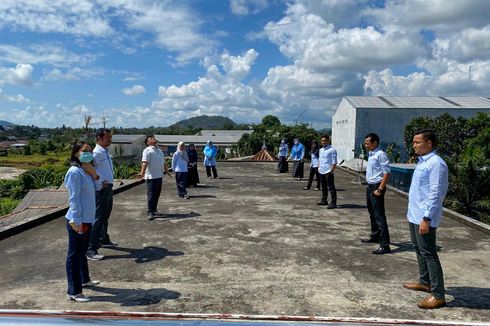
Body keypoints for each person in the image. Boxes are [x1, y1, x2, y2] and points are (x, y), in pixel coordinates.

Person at [403, 129, 448, 309]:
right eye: (414, 142)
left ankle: (438, 295)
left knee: (429, 253)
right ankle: (425, 281)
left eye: (417, 142)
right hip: (414, 214)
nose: (414, 145)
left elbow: (436, 193)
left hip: (424, 216)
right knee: (419, 249)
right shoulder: (423, 162)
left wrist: (427, 217)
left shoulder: (436, 164)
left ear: (429, 143)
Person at [64, 142, 100, 302]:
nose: (89, 154)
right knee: (74, 254)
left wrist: (95, 174)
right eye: (85, 151)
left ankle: (85, 280)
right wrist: (77, 221)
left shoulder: (86, 171)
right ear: (76, 154)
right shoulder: (74, 172)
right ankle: (74, 291)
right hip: (77, 220)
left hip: (88, 218)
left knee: (82, 252)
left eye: (90, 151)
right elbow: (74, 199)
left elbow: (98, 188)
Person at [87, 128, 116, 261]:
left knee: (105, 216)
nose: (110, 139)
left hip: (108, 187)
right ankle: (91, 249)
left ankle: (103, 239)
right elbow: (84, 166)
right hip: (101, 189)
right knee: (98, 218)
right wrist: (98, 183)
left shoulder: (105, 152)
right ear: (99, 138)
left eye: (110, 137)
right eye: (107, 137)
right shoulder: (95, 152)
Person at [361, 133, 391, 254]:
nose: (365, 145)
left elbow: (387, 172)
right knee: (372, 213)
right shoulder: (371, 154)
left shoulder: (381, 154)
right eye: (365, 142)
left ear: (374, 143)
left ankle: (385, 245)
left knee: (379, 216)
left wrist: (380, 189)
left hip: (377, 186)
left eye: (368, 143)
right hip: (370, 186)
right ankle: (375, 236)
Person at [137, 135, 170, 221]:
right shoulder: (147, 150)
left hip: (159, 175)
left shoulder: (159, 150)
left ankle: (154, 210)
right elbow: (145, 162)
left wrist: (167, 171)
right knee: (151, 195)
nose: (154, 139)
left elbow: (163, 163)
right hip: (151, 176)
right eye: (151, 138)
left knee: (156, 194)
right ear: (147, 143)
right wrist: (142, 173)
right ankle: (150, 212)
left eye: (154, 138)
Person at [317, 135, 337, 209]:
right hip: (321, 170)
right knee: (323, 187)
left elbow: (334, 162)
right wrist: (319, 168)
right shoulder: (321, 150)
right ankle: (324, 200)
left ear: (328, 141)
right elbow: (320, 159)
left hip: (328, 171)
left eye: (325, 140)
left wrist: (332, 170)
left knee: (331, 187)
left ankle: (333, 202)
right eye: (322, 141)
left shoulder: (332, 150)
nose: (323, 142)